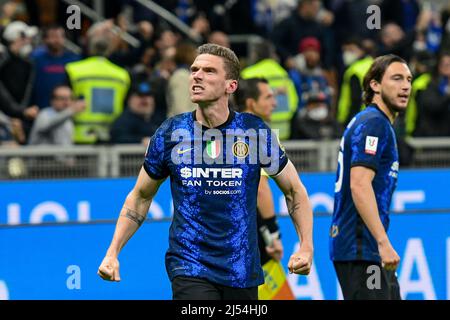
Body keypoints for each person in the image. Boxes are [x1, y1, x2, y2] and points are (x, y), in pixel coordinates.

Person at [98, 43, 314, 300]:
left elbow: (294, 191)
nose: (197, 76)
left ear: (230, 86)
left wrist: (306, 247)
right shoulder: (171, 133)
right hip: (189, 265)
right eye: (194, 69)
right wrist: (112, 252)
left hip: (241, 269)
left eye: (209, 71)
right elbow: (140, 197)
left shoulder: (254, 132)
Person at [330, 54, 412, 300]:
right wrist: (383, 242)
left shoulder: (376, 122)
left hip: (368, 250)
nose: (405, 86)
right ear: (375, 85)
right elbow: (359, 184)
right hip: (360, 250)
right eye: (396, 78)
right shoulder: (374, 123)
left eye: (408, 79)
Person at [234, 77, 295, 299]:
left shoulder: (228, 130)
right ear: (251, 103)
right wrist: (272, 233)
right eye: (268, 97)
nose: (275, 103)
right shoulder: (256, 134)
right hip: (256, 235)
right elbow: (260, 188)